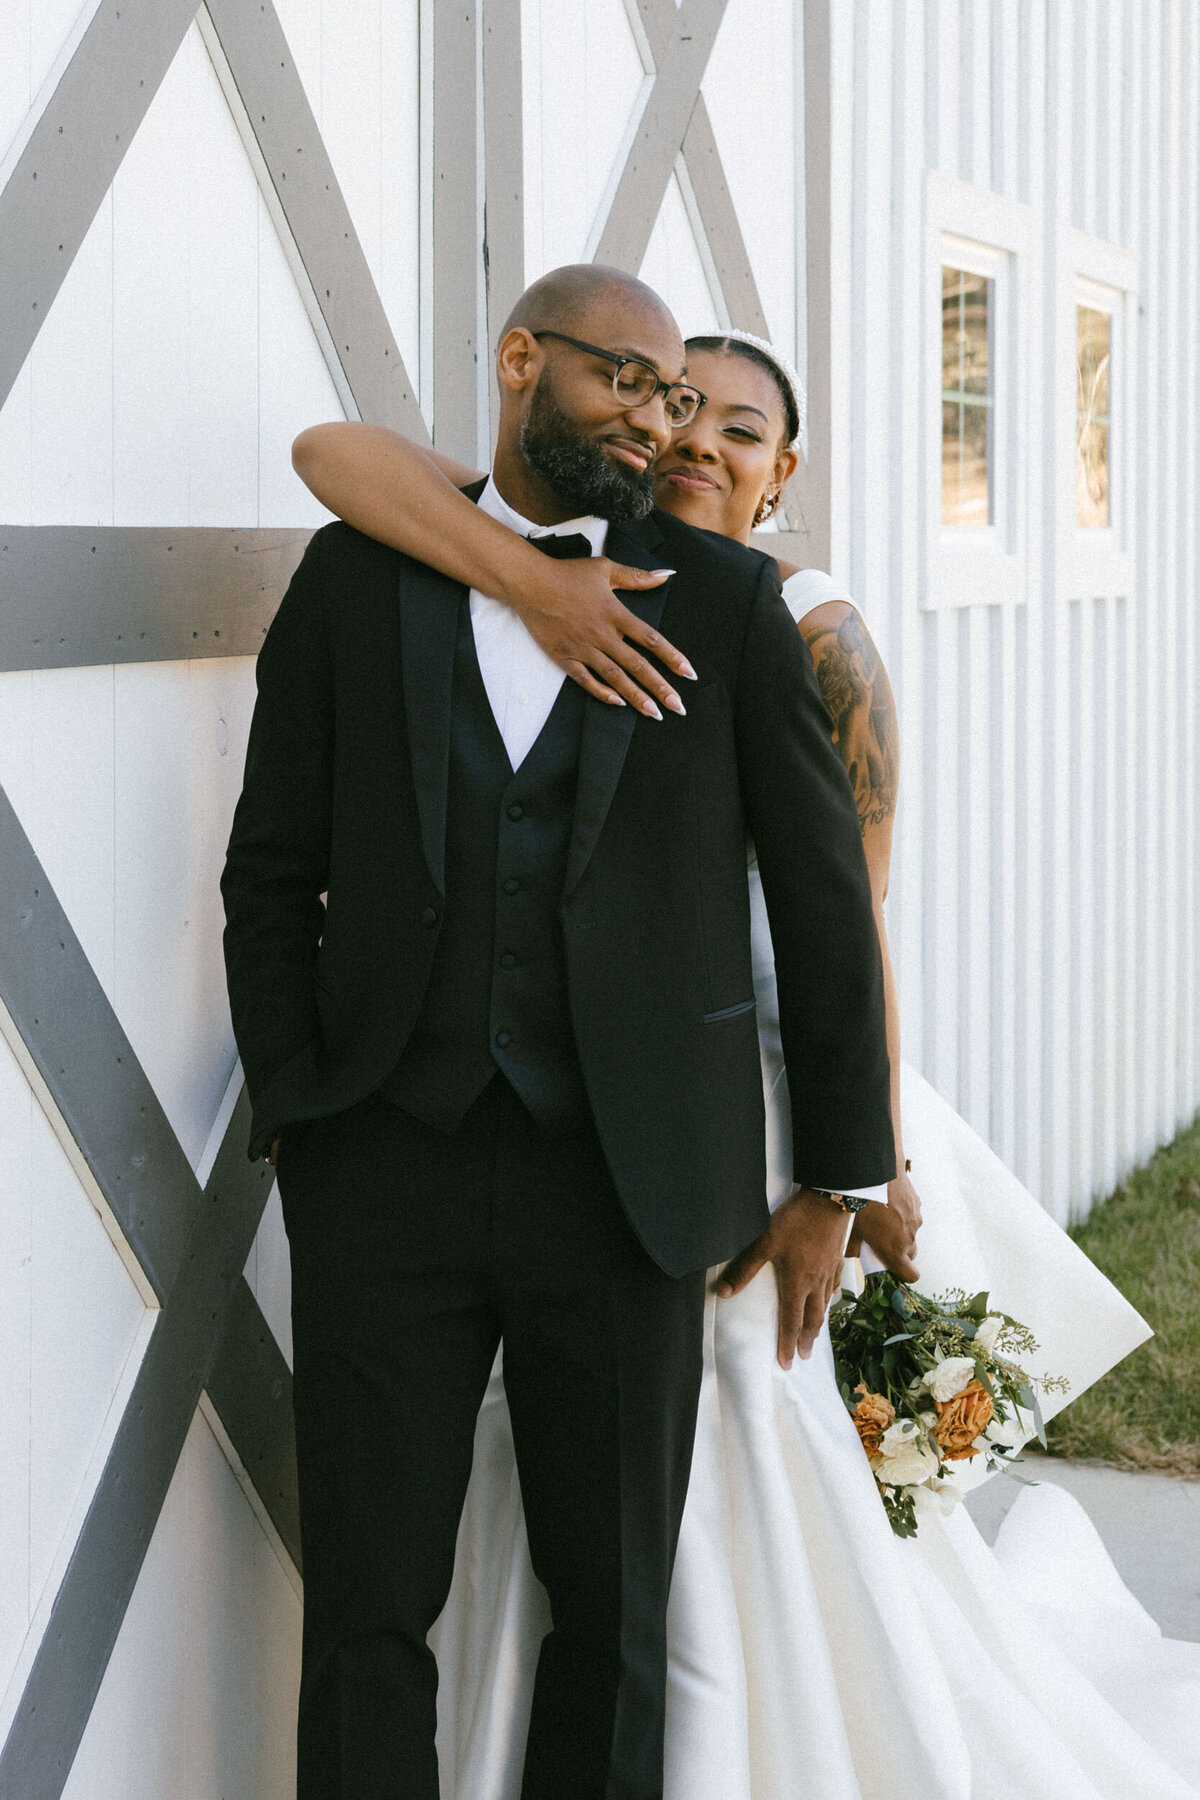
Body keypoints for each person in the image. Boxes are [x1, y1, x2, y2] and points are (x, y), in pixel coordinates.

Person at [291, 327, 1200, 1799]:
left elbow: (846, 919)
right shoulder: (467, 551)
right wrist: (529, 579)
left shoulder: (794, 620)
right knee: (453, 1562)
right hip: (448, 1143)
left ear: (783, 472)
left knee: (704, 1541)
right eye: (670, 406)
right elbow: (333, 462)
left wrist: (856, 1162)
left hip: (713, 1128)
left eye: (731, 425)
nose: (691, 437)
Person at [222, 267, 896, 1800]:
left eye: (677, 399)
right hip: (381, 1164)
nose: (655, 426)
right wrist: (296, 1101)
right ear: (524, 361)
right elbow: (271, 869)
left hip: (627, 1184)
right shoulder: (360, 579)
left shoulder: (728, 611)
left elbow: (822, 903)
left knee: (612, 1620)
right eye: (623, 383)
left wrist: (839, 1175)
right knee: (369, 1615)